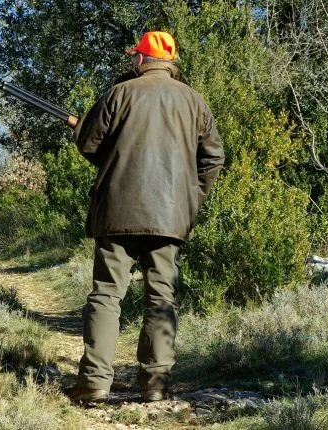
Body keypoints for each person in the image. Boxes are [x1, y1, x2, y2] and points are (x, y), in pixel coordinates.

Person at [68, 31, 225, 403]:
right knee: (160, 297)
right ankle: (155, 384)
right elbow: (213, 159)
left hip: (117, 213)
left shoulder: (120, 93)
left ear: (141, 59)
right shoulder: (194, 101)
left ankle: (94, 384)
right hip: (171, 216)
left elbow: (90, 144)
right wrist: (190, 199)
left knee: (107, 295)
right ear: (170, 62)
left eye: (134, 56)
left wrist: (82, 129)